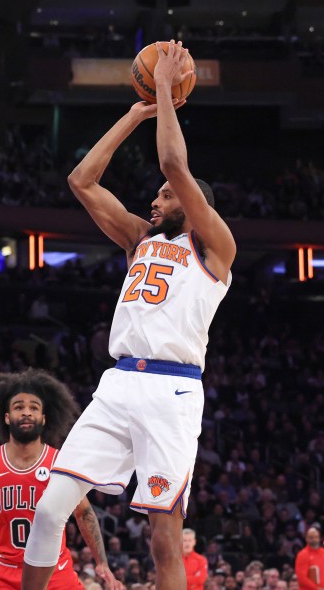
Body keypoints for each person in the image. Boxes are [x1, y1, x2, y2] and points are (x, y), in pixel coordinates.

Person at [23, 40, 235, 590]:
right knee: (49, 511)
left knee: (164, 534)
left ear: (193, 204)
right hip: (117, 383)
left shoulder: (215, 246)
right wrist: (136, 111)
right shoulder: (139, 239)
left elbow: (172, 162)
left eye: (166, 197)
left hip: (174, 390)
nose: (155, 200)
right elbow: (81, 181)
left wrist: (164, 87)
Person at [0, 370, 117, 589]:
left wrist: (102, 562)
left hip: (54, 570)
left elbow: (84, 513)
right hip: (5, 573)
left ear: (43, 418)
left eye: (34, 408)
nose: (26, 413)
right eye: (18, 407)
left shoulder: (59, 462)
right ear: (7, 417)